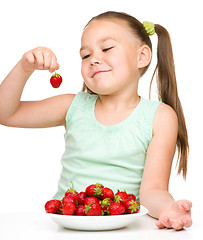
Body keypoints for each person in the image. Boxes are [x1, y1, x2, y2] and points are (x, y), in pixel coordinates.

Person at [0, 11, 192, 230]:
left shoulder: (160, 116)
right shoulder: (71, 106)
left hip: (125, 230)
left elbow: (153, 190)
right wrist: (24, 68)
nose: (94, 59)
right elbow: (6, 113)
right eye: (85, 55)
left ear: (142, 56)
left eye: (107, 48)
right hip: (67, 228)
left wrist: (168, 208)